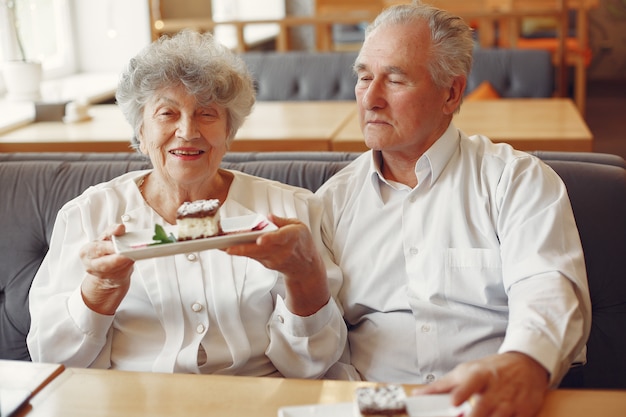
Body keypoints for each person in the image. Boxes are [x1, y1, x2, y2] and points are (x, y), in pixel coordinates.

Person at [317, 3, 591, 416]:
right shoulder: (331, 202)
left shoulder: (514, 180)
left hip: (490, 403)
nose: (370, 99)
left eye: (395, 79)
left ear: (451, 93)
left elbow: (547, 286)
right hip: (373, 405)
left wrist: (525, 362)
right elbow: (321, 339)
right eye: (363, 77)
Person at [27, 30, 345, 378]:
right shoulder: (88, 215)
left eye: (207, 113)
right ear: (141, 132)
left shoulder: (292, 210)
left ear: (228, 132)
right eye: (167, 113)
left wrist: (304, 277)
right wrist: (101, 288)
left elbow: (317, 360)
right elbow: (51, 358)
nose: (188, 131)